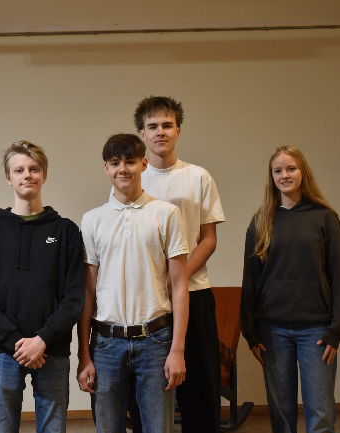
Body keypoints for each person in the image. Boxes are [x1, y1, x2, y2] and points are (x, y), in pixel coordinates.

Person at [0, 140, 85, 433]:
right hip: (4, 351)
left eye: (34, 169)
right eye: (19, 170)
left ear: (44, 175)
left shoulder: (66, 231)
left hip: (52, 348)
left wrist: (42, 340)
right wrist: (16, 342)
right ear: (8, 178)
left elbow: (74, 297)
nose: (27, 175)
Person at [77, 133, 189, 432]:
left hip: (156, 340)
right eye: (115, 163)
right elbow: (88, 291)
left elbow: (180, 285)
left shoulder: (167, 214)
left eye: (130, 162)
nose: (122, 169)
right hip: (106, 343)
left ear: (144, 164)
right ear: (106, 168)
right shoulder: (92, 220)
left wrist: (177, 350)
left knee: (158, 427)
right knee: (108, 427)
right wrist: (84, 354)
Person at [241, 146, 340, 433]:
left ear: (303, 172)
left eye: (291, 168)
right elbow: (250, 280)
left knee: (320, 413)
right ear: (271, 176)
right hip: (272, 330)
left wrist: (336, 330)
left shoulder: (325, 218)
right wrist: (250, 332)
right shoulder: (261, 221)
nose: (284, 175)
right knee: (281, 415)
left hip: (317, 331)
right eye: (278, 170)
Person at [134, 96, 225, 433]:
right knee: (149, 391)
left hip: (194, 293)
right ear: (142, 134)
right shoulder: (133, 178)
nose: (160, 132)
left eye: (167, 125)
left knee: (200, 390)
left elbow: (208, 240)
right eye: (153, 126)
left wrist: (177, 279)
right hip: (148, 300)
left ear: (178, 131)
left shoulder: (198, 177)